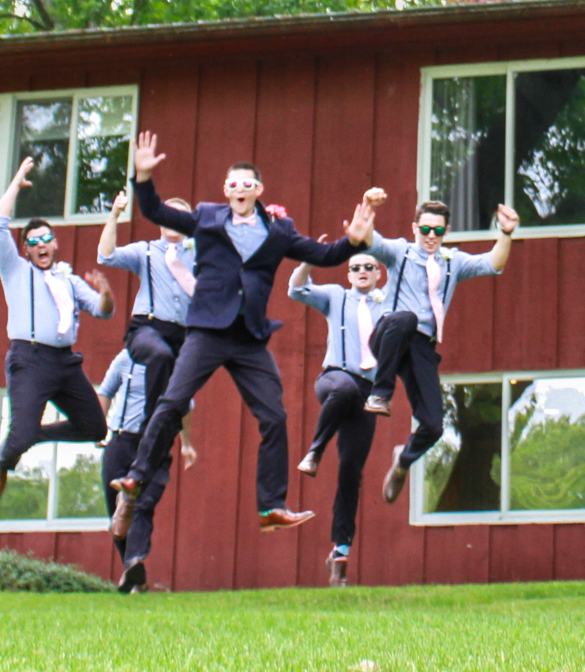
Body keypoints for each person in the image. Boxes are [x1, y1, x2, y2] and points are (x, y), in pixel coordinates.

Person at [109, 131, 375, 540]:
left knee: (274, 416)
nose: (239, 190)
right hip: (208, 330)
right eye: (232, 184)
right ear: (225, 190)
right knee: (173, 401)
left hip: (248, 337)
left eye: (246, 184)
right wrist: (142, 178)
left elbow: (324, 256)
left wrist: (353, 240)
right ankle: (135, 479)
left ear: (259, 191)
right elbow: (157, 211)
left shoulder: (279, 231)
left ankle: (271, 506)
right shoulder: (206, 218)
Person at [354, 191, 518, 505]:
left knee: (433, 424)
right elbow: (370, 239)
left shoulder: (452, 262)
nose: (431, 236)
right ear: (414, 228)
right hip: (390, 333)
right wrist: (369, 208)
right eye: (426, 229)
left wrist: (506, 233)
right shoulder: (399, 252)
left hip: (421, 347)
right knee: (404, 319)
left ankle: (403, 463)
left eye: (438, 231)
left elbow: (492, 263)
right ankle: (381, 392)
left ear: (446, 232)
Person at [0, 157, 113, 497]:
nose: (41, 245)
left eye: (46, 239)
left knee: (94, 426)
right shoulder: (16, 272)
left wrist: (106, 292)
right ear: (26, 250)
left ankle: (35, 434)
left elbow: (103, 311)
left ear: (55, 243)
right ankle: (3, 461)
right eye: (33, 242)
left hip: (64, 362)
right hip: (29, 360)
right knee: (21, 435)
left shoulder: (68, 280)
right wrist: (15, 184)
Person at [287, 251, 387, 586]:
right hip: (333, 379)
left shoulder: (387, 304)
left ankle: (339, 554)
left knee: (350, 472)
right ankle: (315, 451)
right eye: (355, 267)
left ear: (378, 273)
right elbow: (296, 291)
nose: (361, 271)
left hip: (368, 393)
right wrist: (307, 262)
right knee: (343, 388)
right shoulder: (335, 296)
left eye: (368, 267)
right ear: (348, 274)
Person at [96, 348, 196, 595]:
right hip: (120, 442)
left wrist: (187, 444)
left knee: (142, 504)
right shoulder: (125, 358)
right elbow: (106, 392)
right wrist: (101, 427)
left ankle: (134, 562)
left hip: (156, 447)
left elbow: (186, 406)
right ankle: (135, 574)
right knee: (117, 512)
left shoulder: (176, 364)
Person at [98, 186, 196, 434]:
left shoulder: (199, 256)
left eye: (181, 216)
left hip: (182, 335)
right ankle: (151, 423)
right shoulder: (146, 251)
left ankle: (159, 442)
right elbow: (106, 256)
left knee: (180, 389)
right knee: (159, 355)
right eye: (169, 214)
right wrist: (114, 216)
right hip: (148, 329)